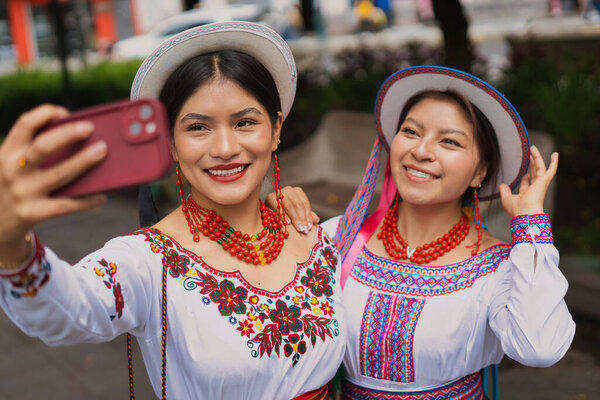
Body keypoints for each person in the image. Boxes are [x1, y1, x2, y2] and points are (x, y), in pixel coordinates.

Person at [0, 22, 345, 400]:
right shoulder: (147, 262)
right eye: (198, 128)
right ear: (171, 143)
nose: (226, 147)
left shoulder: (321, 238)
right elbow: (67, 311)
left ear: (276, 128)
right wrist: (12, 246)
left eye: (245, 122)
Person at [270, 65, 575, 398]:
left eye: (449, 141)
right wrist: (272, 224)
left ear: (480, 171)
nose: (421, 151)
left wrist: (531, 225)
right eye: (411, 132)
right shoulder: (337, 238)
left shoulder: (498, 267)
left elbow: (540, 348)